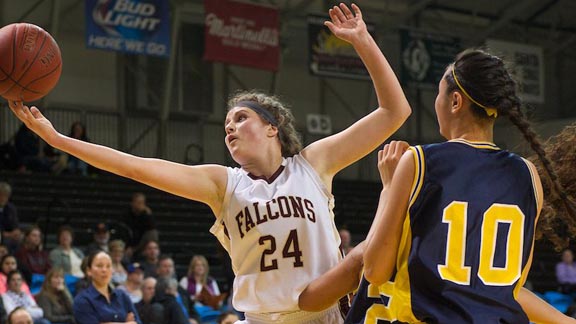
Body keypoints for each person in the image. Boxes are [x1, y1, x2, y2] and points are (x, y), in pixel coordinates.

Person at [8, 2, 412, 322]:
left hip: (321, 314)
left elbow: (394, 111)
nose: (229, 129)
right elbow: (133, 166)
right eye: (225, 125)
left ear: (273, 127)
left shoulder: (313, 164)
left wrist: (362, 41)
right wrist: (58, 140)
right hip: (258, 319)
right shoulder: (224, 185)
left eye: (241, 118)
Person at [299, 49, 576, 323]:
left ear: (455, 101)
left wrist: (389, 188)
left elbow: (374, 270)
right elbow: (511, 289)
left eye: (438, 93)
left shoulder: (420, 161)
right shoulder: (528, 175)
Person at [73, 251, 141, 324]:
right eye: (99, 266)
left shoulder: (122, 295)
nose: (104, 270)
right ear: (89, 271)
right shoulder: (82, 300)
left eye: (108, 266)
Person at [124, 192, 158, 257]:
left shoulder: (146, 215)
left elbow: (152, 229)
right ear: (132, 203)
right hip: (130, 242)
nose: (140, 205)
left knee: (152, 233)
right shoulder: (127, 214)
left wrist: (149, 215)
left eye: (142, 202)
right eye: (138, 202)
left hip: (142, 244)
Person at [0, 182, 22, 253]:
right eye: (2, 195)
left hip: (9, 235)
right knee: (7, 241)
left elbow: (15, 223)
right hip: (3, 235)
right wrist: (7, 234)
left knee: (20, 239)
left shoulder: (11, 208)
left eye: (6, 196)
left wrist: (17, 232)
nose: (3, 198)